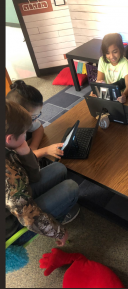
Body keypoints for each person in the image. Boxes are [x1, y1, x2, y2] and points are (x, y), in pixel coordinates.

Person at [5, 100, 80, 246]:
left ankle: (57, 210)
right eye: (24, 134)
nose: (25, 136)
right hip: (15, 228)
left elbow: (34, 176)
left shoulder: (8, 148)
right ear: (9, 138)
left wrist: (25, 151)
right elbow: (28, 217)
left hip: (17, 202)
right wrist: (59, 232)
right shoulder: (8, 174)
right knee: (71, 187)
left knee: (59, 169)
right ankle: (58, 218)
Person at [6, 80, 64, 160]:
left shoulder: (19, 119)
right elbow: (20, 160)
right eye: (33, 117)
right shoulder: (10, 133)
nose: (36, 119)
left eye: (38, 115)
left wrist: (33, 146)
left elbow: (38, 127)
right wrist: (46, 150)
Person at [90, 33, 128, 103]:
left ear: (121, 49)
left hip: (119, 96)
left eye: (115, 52)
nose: (112, 56)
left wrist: (123, 96)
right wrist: (95, 92)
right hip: (106, 95)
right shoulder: (102, 60)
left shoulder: (125, 63)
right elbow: (99, 81)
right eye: (107, 53)